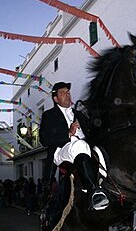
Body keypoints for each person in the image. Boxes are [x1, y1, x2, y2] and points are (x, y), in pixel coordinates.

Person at [39, 81, 109, 210]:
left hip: (85, 148)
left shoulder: (79, 114)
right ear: (55, 98)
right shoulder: (48, 115)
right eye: (63, 93)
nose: (67, 95)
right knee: (79, 145)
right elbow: (44, 139)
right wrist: (69, 133)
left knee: (101, 149)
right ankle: (94, 192)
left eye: (68, 92)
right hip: (61, 150)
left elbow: (93, 132)